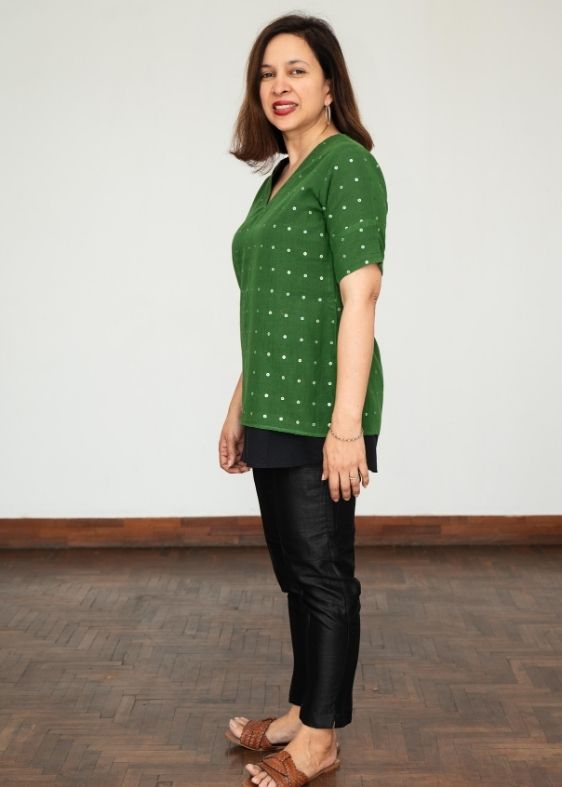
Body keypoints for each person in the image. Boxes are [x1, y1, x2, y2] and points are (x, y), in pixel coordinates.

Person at [218, 13, 388, 787]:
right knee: (296, 570)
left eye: (296, 70)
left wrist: (345, 425)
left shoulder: (346, 165)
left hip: (322, 408)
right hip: (272, 404)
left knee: (323, 575)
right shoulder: (280, 179)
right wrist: (238, 404)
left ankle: (319, 739)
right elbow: (270, 306)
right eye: (267, 73)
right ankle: (301, 708)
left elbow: (361, 296)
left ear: (328, 85)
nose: (278, 86)